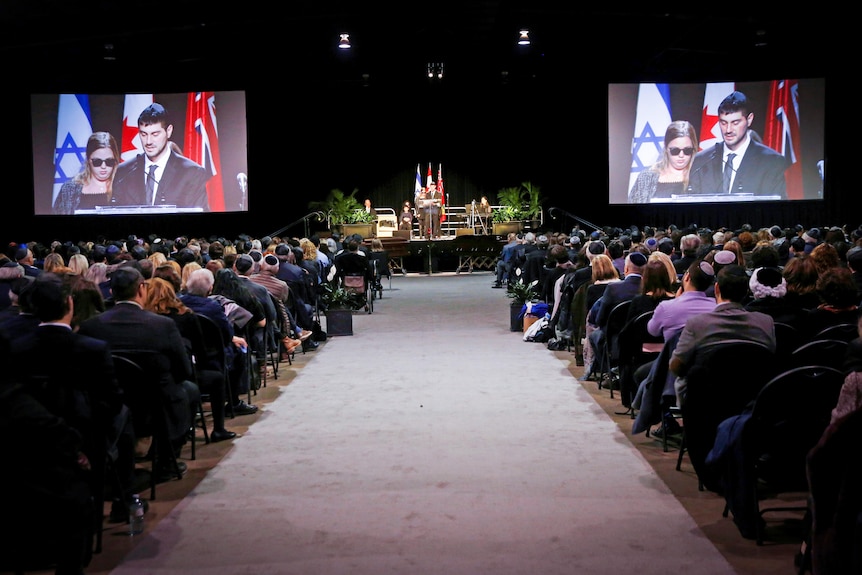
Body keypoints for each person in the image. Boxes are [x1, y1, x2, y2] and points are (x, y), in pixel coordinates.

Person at [78, 265, 198, 482]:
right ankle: (166, 462)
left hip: (108, 406)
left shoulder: (90, 326)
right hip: (155, 406)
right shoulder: (163, 325)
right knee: (188, 390)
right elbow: (184, 370)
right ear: (141, 289)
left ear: (112, 292)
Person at [670, 264, 776, 407]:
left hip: (708, 401)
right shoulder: (765, 322)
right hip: (751, 397)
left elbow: (676, 366)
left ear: (716, 289)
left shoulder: (697, 324)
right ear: (746, 292)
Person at [687, 91, 788, 198]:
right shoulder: (702, 160)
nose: (728, 130)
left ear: (749, 120)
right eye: (723, 123)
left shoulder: (771, 162)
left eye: (735, 123)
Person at [112, 103, 210, 211]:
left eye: (155, 134)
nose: (148, 142)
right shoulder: (123, 172)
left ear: (169, 131)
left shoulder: (191, 173)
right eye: (143, 134)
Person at [628, 120, 699, 203]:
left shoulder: (700, 176)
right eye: (675, 150)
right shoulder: (646, 177)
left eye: (687, 150)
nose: (681, 155)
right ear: (666, 148)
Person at [53, 131, 121, 215]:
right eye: (97, 162)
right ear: (89, 160)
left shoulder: (124, 186)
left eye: (109, 161)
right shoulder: (69, 189)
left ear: (115, 160)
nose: (103, 166)